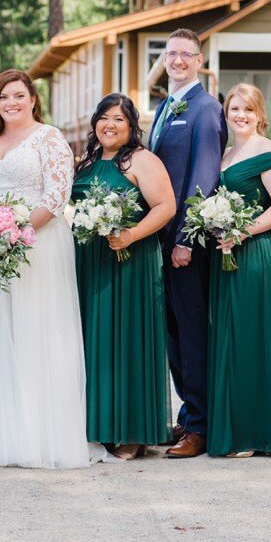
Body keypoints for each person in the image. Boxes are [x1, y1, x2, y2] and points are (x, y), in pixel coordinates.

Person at [0, 70, 98, 468]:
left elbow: (55, 197)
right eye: (3, 97)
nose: (11, 103)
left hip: (38, 247)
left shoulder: (49, 138)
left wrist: (12, 235)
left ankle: (36, 436)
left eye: (18, 95)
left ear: (33, 98)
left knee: (36, 334)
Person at [71, 94, 175, 460]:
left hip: (130, 259)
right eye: (104, 117)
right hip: (89, 261)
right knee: (93, 342)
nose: (109, 125)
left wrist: (130, 234)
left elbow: (166, 206)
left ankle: (134, 431)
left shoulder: (141, 160)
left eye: (118, 119)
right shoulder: (86, 161)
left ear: (131, 126)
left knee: (129, 339)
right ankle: (98, 426)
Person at [207, 84, 271, 459]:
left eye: (247, 109)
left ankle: (257, 433)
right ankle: (235, 428)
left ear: (259, 114)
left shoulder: (269, 152)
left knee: (252, 337)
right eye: (234, 109)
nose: (240, 115)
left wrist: (241, 231)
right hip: (226, 255)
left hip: (256, 254)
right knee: (230, 337)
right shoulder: (227, 153)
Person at [147, 28, 227, 458]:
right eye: (170, 54)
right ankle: (188, 413)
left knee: (193, 331)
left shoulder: (206, 109)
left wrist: (185, 239)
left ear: (199, 60)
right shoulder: (164, 107)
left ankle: (201, 424)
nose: (176, 60)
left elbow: (203, 178)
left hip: (185, 246)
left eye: (185, 55)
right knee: (174, 332)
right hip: (157, 240)